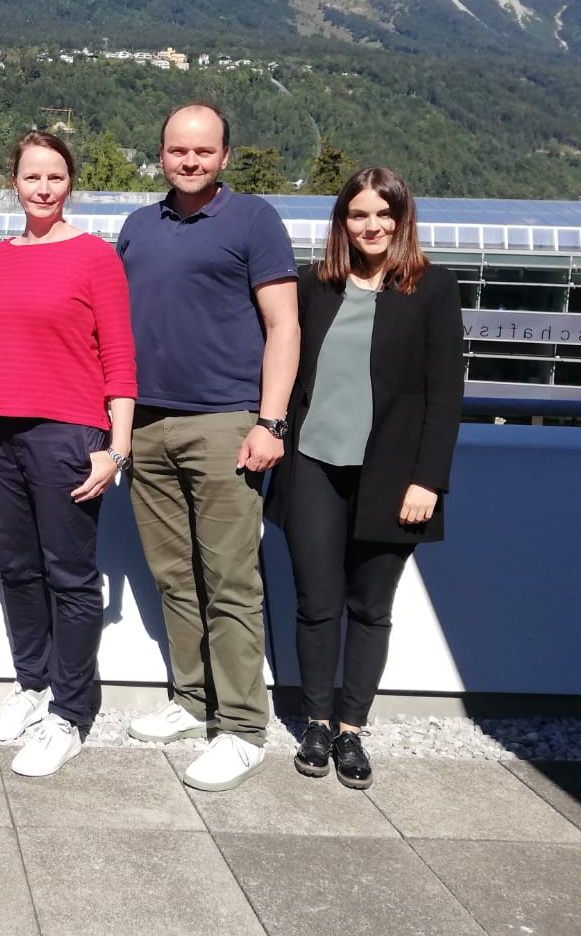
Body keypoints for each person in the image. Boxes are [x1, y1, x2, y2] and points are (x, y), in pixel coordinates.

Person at [117, 102, 299, 793]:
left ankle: (243, 729)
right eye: (176, 151)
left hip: (226, 423)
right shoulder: (138, 227)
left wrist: (269, 422)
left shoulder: (253, 220)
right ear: (160, 155)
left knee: (229, 582)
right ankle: (193, 702)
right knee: (173, 577)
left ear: (223, 155)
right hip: (149, 427)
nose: (188, 161)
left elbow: (283, 325)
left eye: (201, 151)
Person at [265, 168, 463, 788]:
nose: (371, 226)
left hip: (395, 476)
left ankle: (352, 728)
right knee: (317, 604)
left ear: (402, 219)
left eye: (384, 214)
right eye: (358, 215)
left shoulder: (431, 289)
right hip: (314, 467)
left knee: (371, 607)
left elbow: (445, 396)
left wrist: (428, 480)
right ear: (341, 222)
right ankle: (316, 722)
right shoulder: (310, 285)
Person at [0, 130, 136, 778]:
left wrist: (115, 452)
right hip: (0, 433)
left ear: (69, 185)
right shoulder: (0, 256)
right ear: (14, 182)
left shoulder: (94, 257)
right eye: (31, 176)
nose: (41, 188)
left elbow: (119, 358)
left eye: (54, 178)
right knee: (17, 571)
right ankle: (31, 686)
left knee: (69, 576)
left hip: (66, 435)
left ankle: (69, 711)